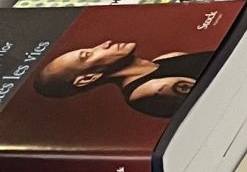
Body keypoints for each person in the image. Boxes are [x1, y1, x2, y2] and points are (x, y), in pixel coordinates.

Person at [34, 35, 211, 113]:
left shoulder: (165, 59)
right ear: (88, 78)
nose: (105, 44)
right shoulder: (152, 89)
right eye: (88, 54)